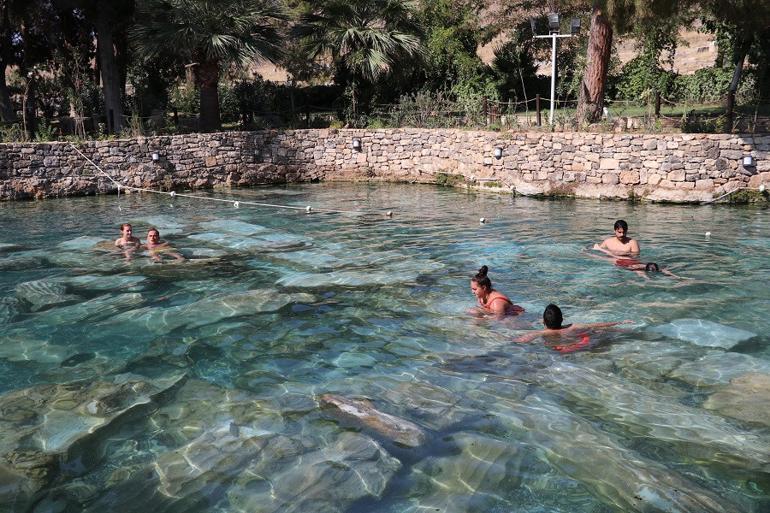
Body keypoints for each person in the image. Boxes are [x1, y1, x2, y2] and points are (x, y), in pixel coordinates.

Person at [513, 304, 630, 345]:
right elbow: (599, 325)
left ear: (543, 322)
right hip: (575, 342)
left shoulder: (539, 333)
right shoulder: (574, 327)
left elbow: (521, 340)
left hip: (557, 349)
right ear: (562, 319)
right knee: (600, 332)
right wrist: (620, 322)